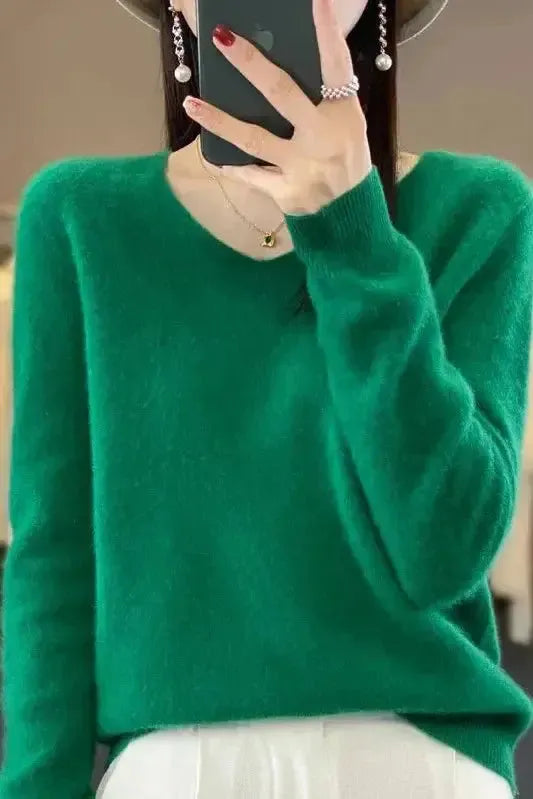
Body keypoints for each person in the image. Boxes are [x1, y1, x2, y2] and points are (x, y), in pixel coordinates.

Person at [1, 0, 532, 796]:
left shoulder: (478, 208)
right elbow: (53, 563)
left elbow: (445, 552)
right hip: (176, 770)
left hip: (415, 762)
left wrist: (353, 232)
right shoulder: (79, 218)